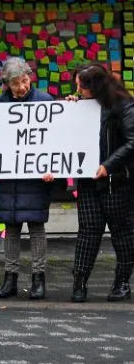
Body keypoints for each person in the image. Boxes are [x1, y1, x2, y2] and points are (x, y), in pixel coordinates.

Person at [68, 63, 134, 303]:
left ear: (94, 87)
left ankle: (122, 282)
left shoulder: (124, 105)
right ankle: (79, 282)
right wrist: (71, 109)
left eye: (81, 87)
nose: (79, 90)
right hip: (88, 181)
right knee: (87, 232)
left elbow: (132, 141)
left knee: (122, 234)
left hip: (116, 182)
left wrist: (108, 165)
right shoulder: (84, 105)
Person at [0, 58, 53, 300]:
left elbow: (55, 142)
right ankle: (10, 278)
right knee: (12, 228)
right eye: (16, 83)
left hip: (36, 177)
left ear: (30, 77)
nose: (22, 87)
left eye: (25, 81)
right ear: (7, 84)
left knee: (37, 227)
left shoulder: (45, 102)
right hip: (9, 179)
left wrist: (52, 168)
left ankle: (39, 278)